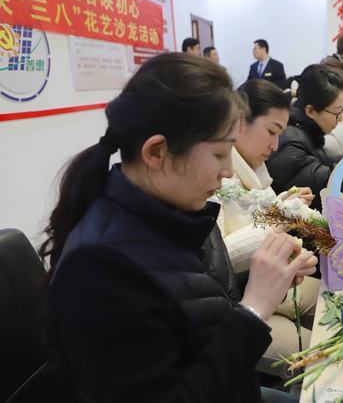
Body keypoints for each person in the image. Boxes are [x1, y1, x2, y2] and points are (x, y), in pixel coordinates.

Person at [42, 53, 316, 403]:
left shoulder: (179, 211)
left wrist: (270, 280)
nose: (227, 172)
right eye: (219, 155)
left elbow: (203, 307)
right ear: (157, 152)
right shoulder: (98, 269)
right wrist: (253, 309)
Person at [217, 79, 320, 362]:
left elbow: (259, 212)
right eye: (271, 132)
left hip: (271, 284)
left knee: (335, 299)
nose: (275, 146)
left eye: (279, 135)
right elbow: (218, 258)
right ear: (240, 123)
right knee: (318, 353)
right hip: (239, 298)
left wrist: (285, 202)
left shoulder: (255, 168)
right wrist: (280, 216)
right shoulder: (217, 172)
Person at [267, 65, 343, 212]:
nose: (340, 119)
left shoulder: (306, 131)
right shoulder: (290, 144)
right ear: (311, 111)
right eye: (337, 113)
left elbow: (323, 161)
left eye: (342, 111)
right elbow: (325, 187)